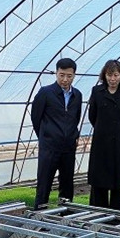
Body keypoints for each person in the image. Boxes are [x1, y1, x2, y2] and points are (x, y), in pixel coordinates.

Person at [31, 58, 83, 209]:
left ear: (74, 75)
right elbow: (36, 117)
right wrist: (46, 136)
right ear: (56, 73)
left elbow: (76, 118)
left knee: (67, 184)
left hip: (68, 147)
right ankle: (40, 215)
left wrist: (73, 136)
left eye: (69, 76)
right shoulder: (46, 93)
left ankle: (65, 214)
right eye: (62, 75)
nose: (65, 79)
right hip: (50, 147)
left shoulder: (77, 95)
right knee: (44, 183)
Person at [87, 59, 120, 210]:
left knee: (119, 182)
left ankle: (118, 216)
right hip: (101, 143)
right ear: (104, 75)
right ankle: (97, 214)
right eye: (109, 75)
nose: (112, 79)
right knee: (99, 182)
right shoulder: (97, 92)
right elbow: (92, 116)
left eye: (116, 75)